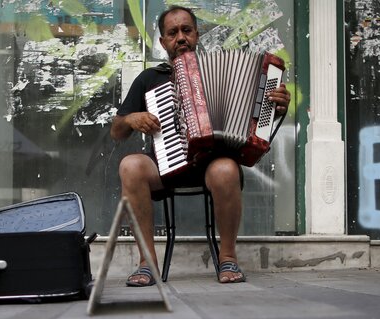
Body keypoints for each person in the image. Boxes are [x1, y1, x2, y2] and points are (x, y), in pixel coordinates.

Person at [110, 5, 291, 286]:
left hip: (212, 164)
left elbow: (259, 116)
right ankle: (147, 262)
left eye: (186, 30)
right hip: (165, 164)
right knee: (130, 166)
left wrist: (277, 107)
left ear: (197, 34)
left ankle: (228, 258)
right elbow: (116, 131)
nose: (180, 37)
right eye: (172, 33)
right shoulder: (149, 78)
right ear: (162, 42)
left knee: (226, 171)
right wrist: (132, 118)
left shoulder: (222, 67)